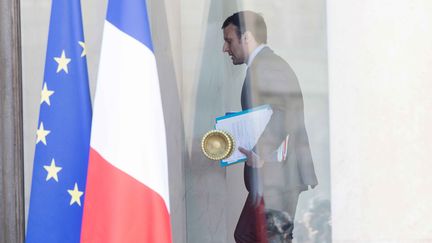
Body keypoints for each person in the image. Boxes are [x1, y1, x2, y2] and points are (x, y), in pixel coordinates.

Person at [222, 11, 318, 242]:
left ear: (246, 38)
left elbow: (283, 114)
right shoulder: (265, 65)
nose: (225, 48)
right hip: (274, 174)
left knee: (256, 236)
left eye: (229, 40)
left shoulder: (268, 66)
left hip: (278, 175)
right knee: (251, 235)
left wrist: (260, 154)